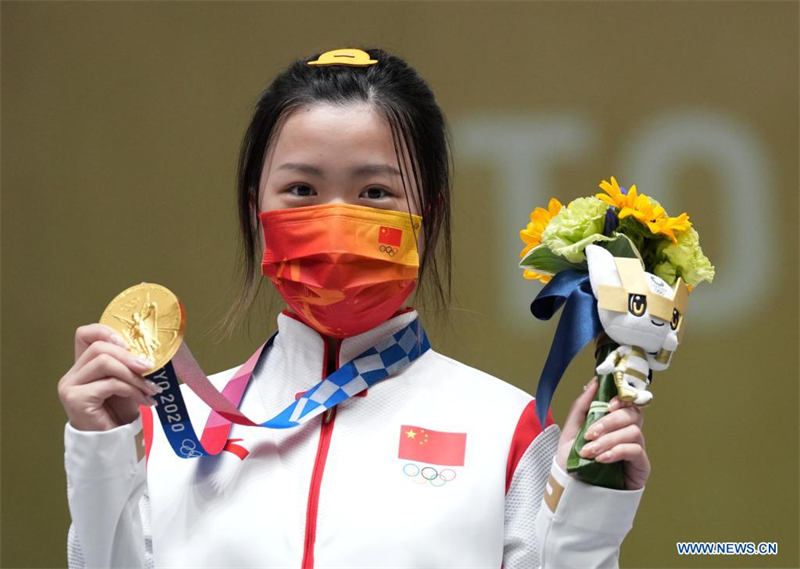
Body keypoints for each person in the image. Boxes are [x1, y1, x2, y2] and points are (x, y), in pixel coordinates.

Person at [59, 47, 649, 569]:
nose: (336, 221)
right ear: (256, 212)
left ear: (429, 214)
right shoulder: (166, 426)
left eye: (374, 193)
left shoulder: (508, 431)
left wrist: (588, 510)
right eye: (302, 192)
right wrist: (100, 452)